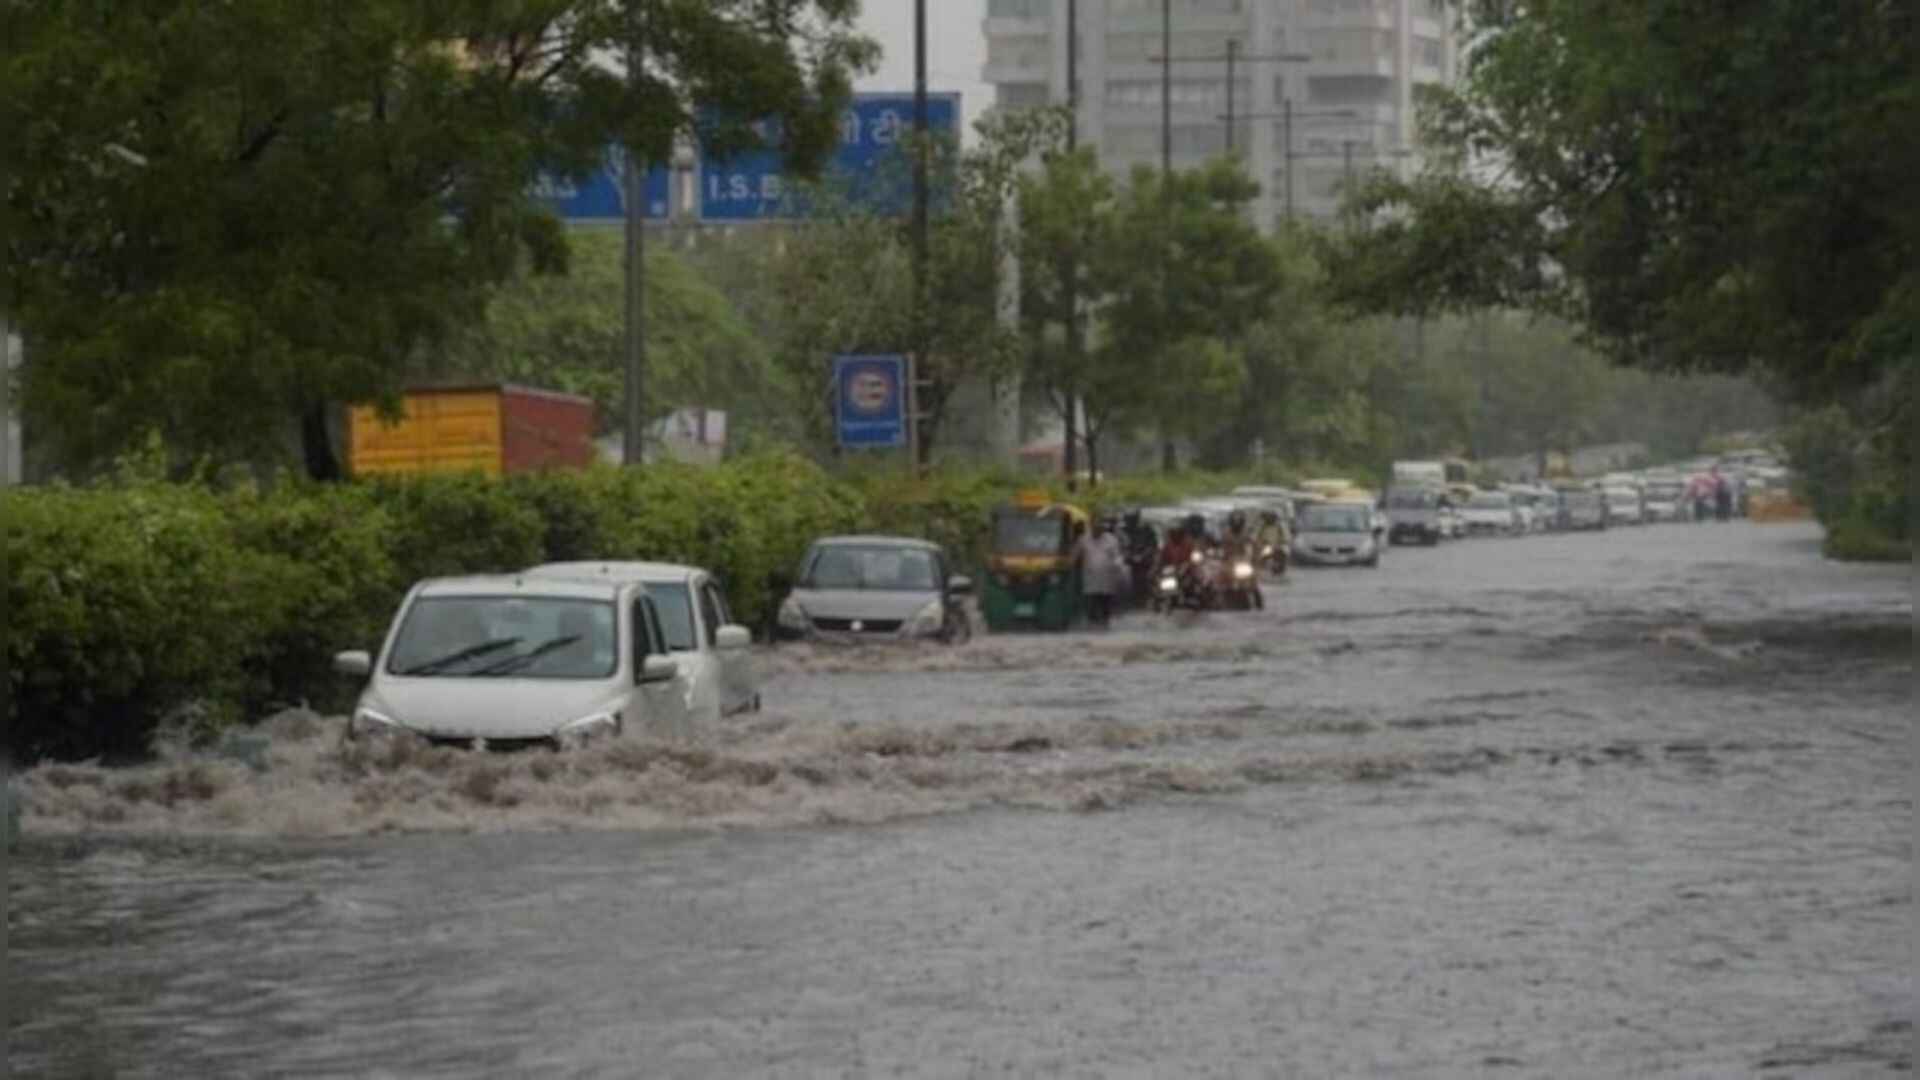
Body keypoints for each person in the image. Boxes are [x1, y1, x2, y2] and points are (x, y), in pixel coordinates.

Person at [1075, 517, 1125, 628]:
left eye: (1099, 527)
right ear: (1091, 527)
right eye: (1094, 527)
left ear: (1103, 528)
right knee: (1091, 601)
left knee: (1105, 601)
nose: (1097, 529)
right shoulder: (1083, 539)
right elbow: (1075, 556)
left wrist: (1118, 567)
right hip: (1090, 577)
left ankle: (1104, 622)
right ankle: (1092, 623)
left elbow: (1117, 557)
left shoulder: (1111, 540)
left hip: (1107, 577)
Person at [1120, 510, 1160, 609]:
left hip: (1146, 558)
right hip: (1134, 558)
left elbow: (1153, 545)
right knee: (1134, 578)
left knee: (1147, 578)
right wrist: (1129, 554)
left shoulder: (1147, 529)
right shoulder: (1125, 530)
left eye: (1131, 520)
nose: (1130, 522)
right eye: (1129, 520)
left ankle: (1147, 597)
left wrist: (1144, 554)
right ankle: (1137, 598)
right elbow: (1124, 545)